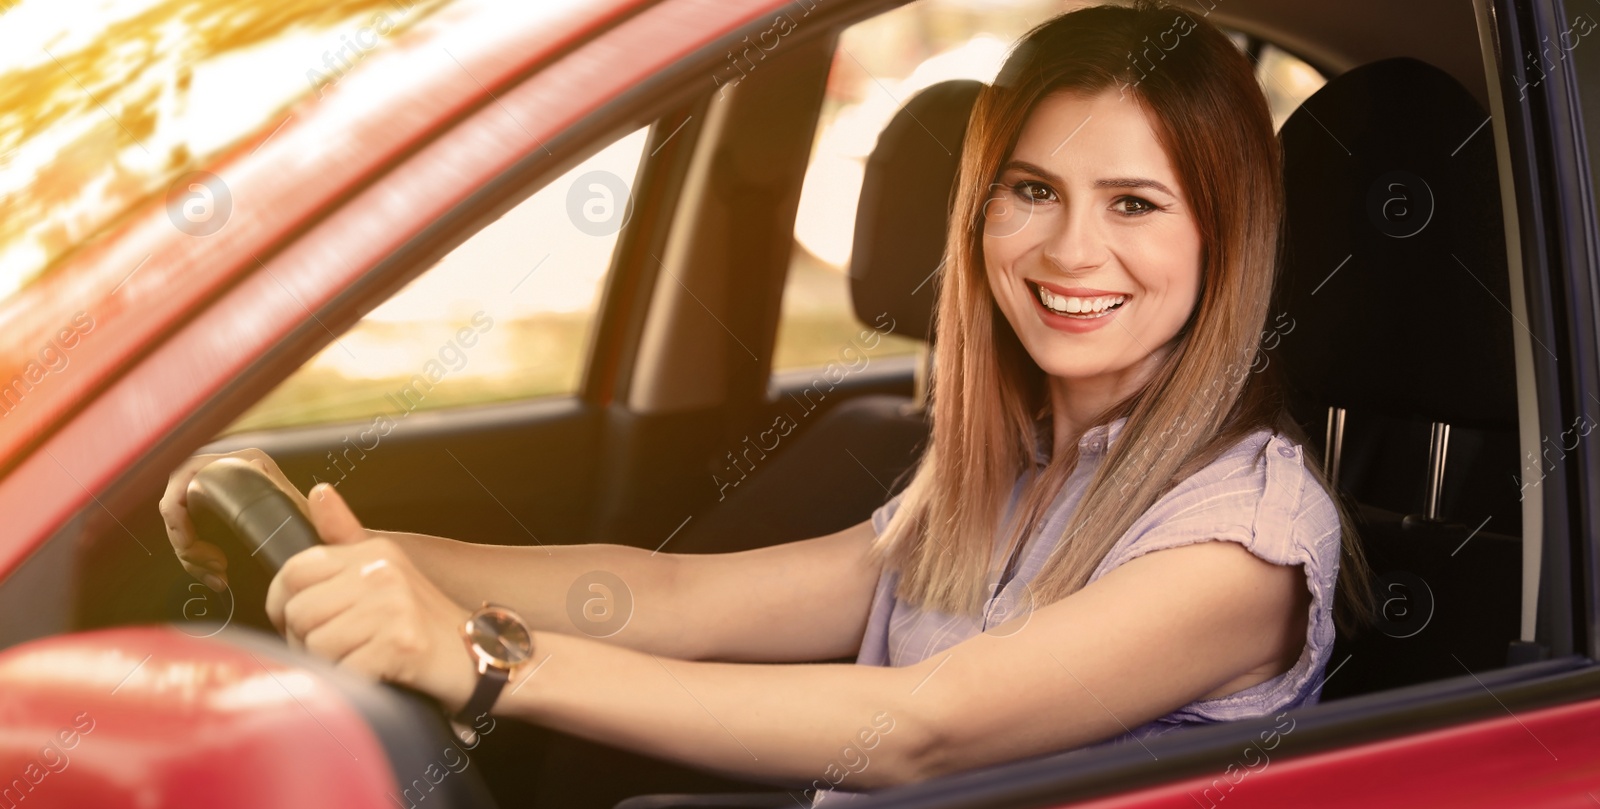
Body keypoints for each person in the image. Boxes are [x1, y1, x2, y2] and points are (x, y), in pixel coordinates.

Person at [160, 2, 1373, 805]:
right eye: (1031, 189)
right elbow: (680, 598)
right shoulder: (1003, 472)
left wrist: (479, 663)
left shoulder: (1248, 542)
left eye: (1134, 203)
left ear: (1227, 241)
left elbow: (920, 725)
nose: (1067, 249)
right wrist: (358, 552)